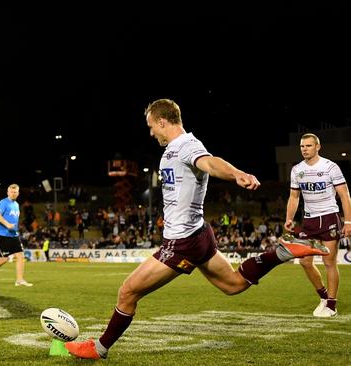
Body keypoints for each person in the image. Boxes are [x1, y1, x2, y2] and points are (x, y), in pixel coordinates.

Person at [65, 98, 330, 359]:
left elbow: (210, 162)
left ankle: (98, 348)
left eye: (151, 126)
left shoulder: (186, 145)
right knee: (234, 285)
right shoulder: (173, 149)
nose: (150, 132)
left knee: (128, 291)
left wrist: (236, 173)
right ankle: (281, 253)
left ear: (162, 121)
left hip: (183, 242)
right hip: (199, 234)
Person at [284, 133, 351, 317]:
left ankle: (331, 305)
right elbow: (294, 196)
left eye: (308, 145)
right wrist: (289, 218)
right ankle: (323, 296)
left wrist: (348, 221)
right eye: (302, 146)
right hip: (309, 220)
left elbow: (345, 195)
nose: (304, 149)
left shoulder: (331, 167)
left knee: (329, 262)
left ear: (317, 147)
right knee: (305, 261)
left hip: (329, 217)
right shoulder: (297, 169)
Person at [0, 184, 33, 287]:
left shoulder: (16, 204)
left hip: (13, 235)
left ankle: (19, 280)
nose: (13, 193)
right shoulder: (3, 202)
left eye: (15, 192)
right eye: (11, 192)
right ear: (8, 192)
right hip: (3, 234)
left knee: (20, 256)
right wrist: (7, 224)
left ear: (18, 193)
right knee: (3, 258)